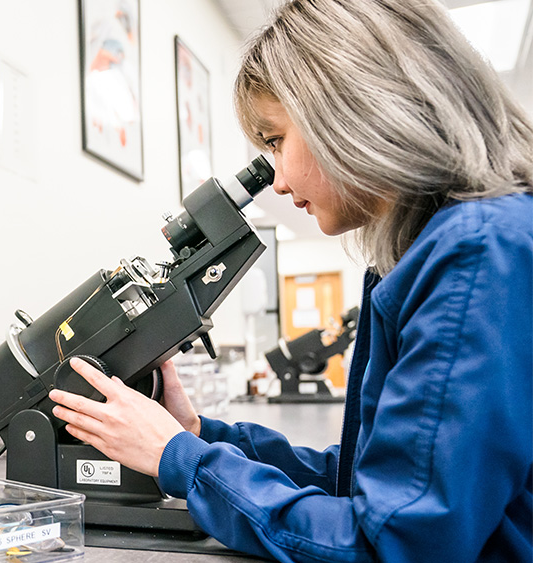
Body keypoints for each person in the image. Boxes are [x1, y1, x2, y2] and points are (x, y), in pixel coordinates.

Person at [48, 0, 533, 561]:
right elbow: (367, 484)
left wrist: (177, 458)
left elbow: (394, 544)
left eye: (276, 141)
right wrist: (198, 434)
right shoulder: (443, 251)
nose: (275, 181)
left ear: (351, 109)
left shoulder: (475, 255)